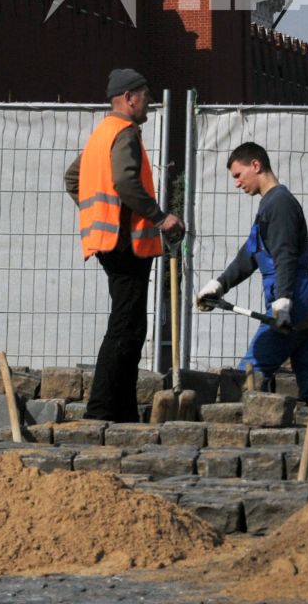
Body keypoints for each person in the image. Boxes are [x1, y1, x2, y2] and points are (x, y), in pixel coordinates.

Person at [64, 69, 183, 423]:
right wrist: (161, 217)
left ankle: (122, 411)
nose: (149, 101)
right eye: (145, 94)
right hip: (125, 244)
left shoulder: (103, 133)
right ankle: (101, 410)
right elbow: (126, 182)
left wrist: (99, 213)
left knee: (130, 325)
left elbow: (73, 178)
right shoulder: (125, 133)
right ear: (129, 97)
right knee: (126, 326)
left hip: (109, 241)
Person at [194, 143, 308, 405]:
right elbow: (251, 253)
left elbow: (285, 255)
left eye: (238, 175)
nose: (237, 184)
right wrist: (219, 285)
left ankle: (233, 435)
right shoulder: (270, 205)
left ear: (256, 165)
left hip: (293, 300)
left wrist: (284, 302)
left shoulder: (279, 204)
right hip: (303, 301)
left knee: (245, 380)